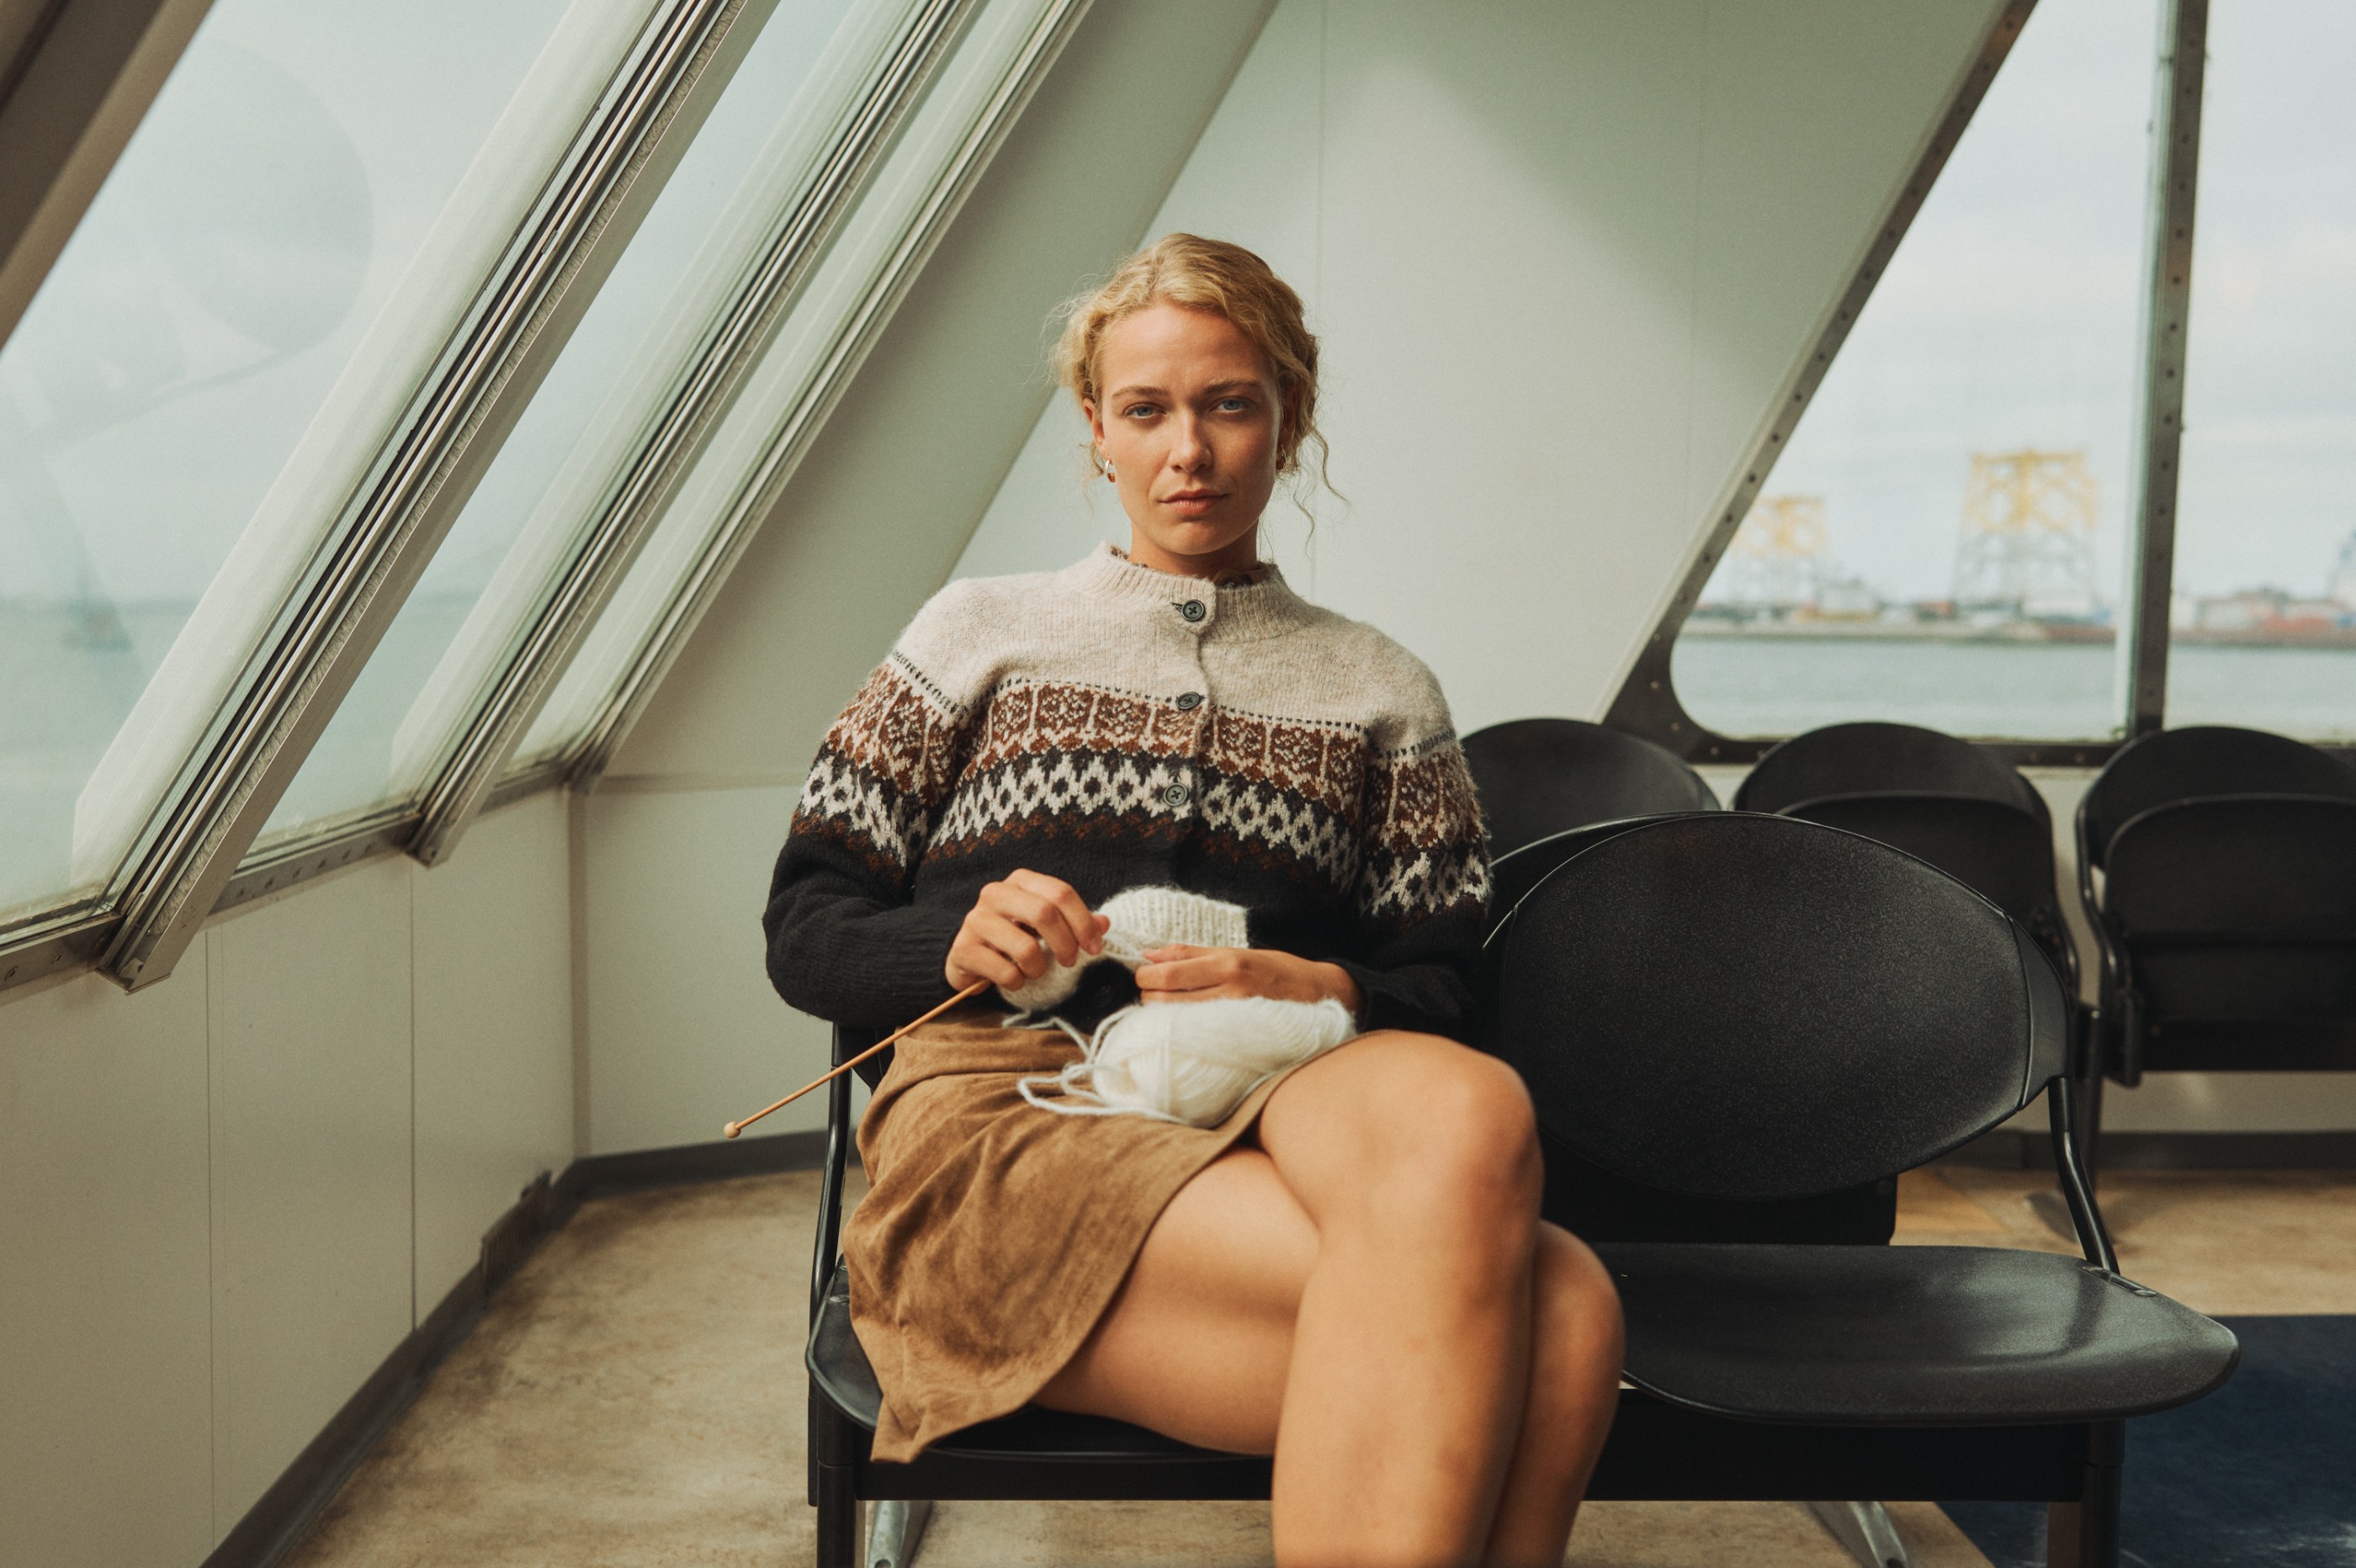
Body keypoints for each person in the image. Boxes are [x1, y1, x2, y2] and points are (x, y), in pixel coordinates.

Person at [764, 233, 1621, 1567]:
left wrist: (1327, 988)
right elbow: (808, 926)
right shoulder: (973, 633)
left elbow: (1449, 986)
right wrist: (956, 941)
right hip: (1014, 1111)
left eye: (1231, 405)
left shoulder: (1384, 689)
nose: (1191, 452)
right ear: (1095, 428)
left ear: (1291, 421)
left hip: (1288, 1087)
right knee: (1559, 1312)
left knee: (1473, 1102)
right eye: (1148, 410)